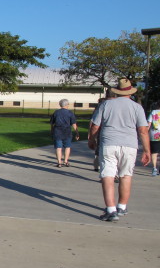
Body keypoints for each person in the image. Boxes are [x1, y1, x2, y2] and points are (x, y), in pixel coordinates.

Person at [87, 78, 150, 222]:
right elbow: (143, 130)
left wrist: (92, 140)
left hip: (109, 143)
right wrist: (146, 150)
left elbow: (95, 126)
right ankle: (122, 206)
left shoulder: (106, 104)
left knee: (107, 175)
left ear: (117, 91)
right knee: (126, 175)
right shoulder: (137, 107)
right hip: (129, 145)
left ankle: (111, 210)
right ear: (130, 92)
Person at [50, 98, 80, 167]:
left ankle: (59, 162)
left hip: (57, 131)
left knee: (58, 148)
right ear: (66, 105)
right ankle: (65, 161)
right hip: (67, 132)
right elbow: (74, 124)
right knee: (67, 147)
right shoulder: (70, 113)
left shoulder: (56, 112)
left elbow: (52, 123)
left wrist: (52, 131)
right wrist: (77, 133)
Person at [147, 101, 160, 176]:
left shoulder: (153, 112)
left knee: (154, 152)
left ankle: (154, 168)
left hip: (154, 134)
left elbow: (148, 123)